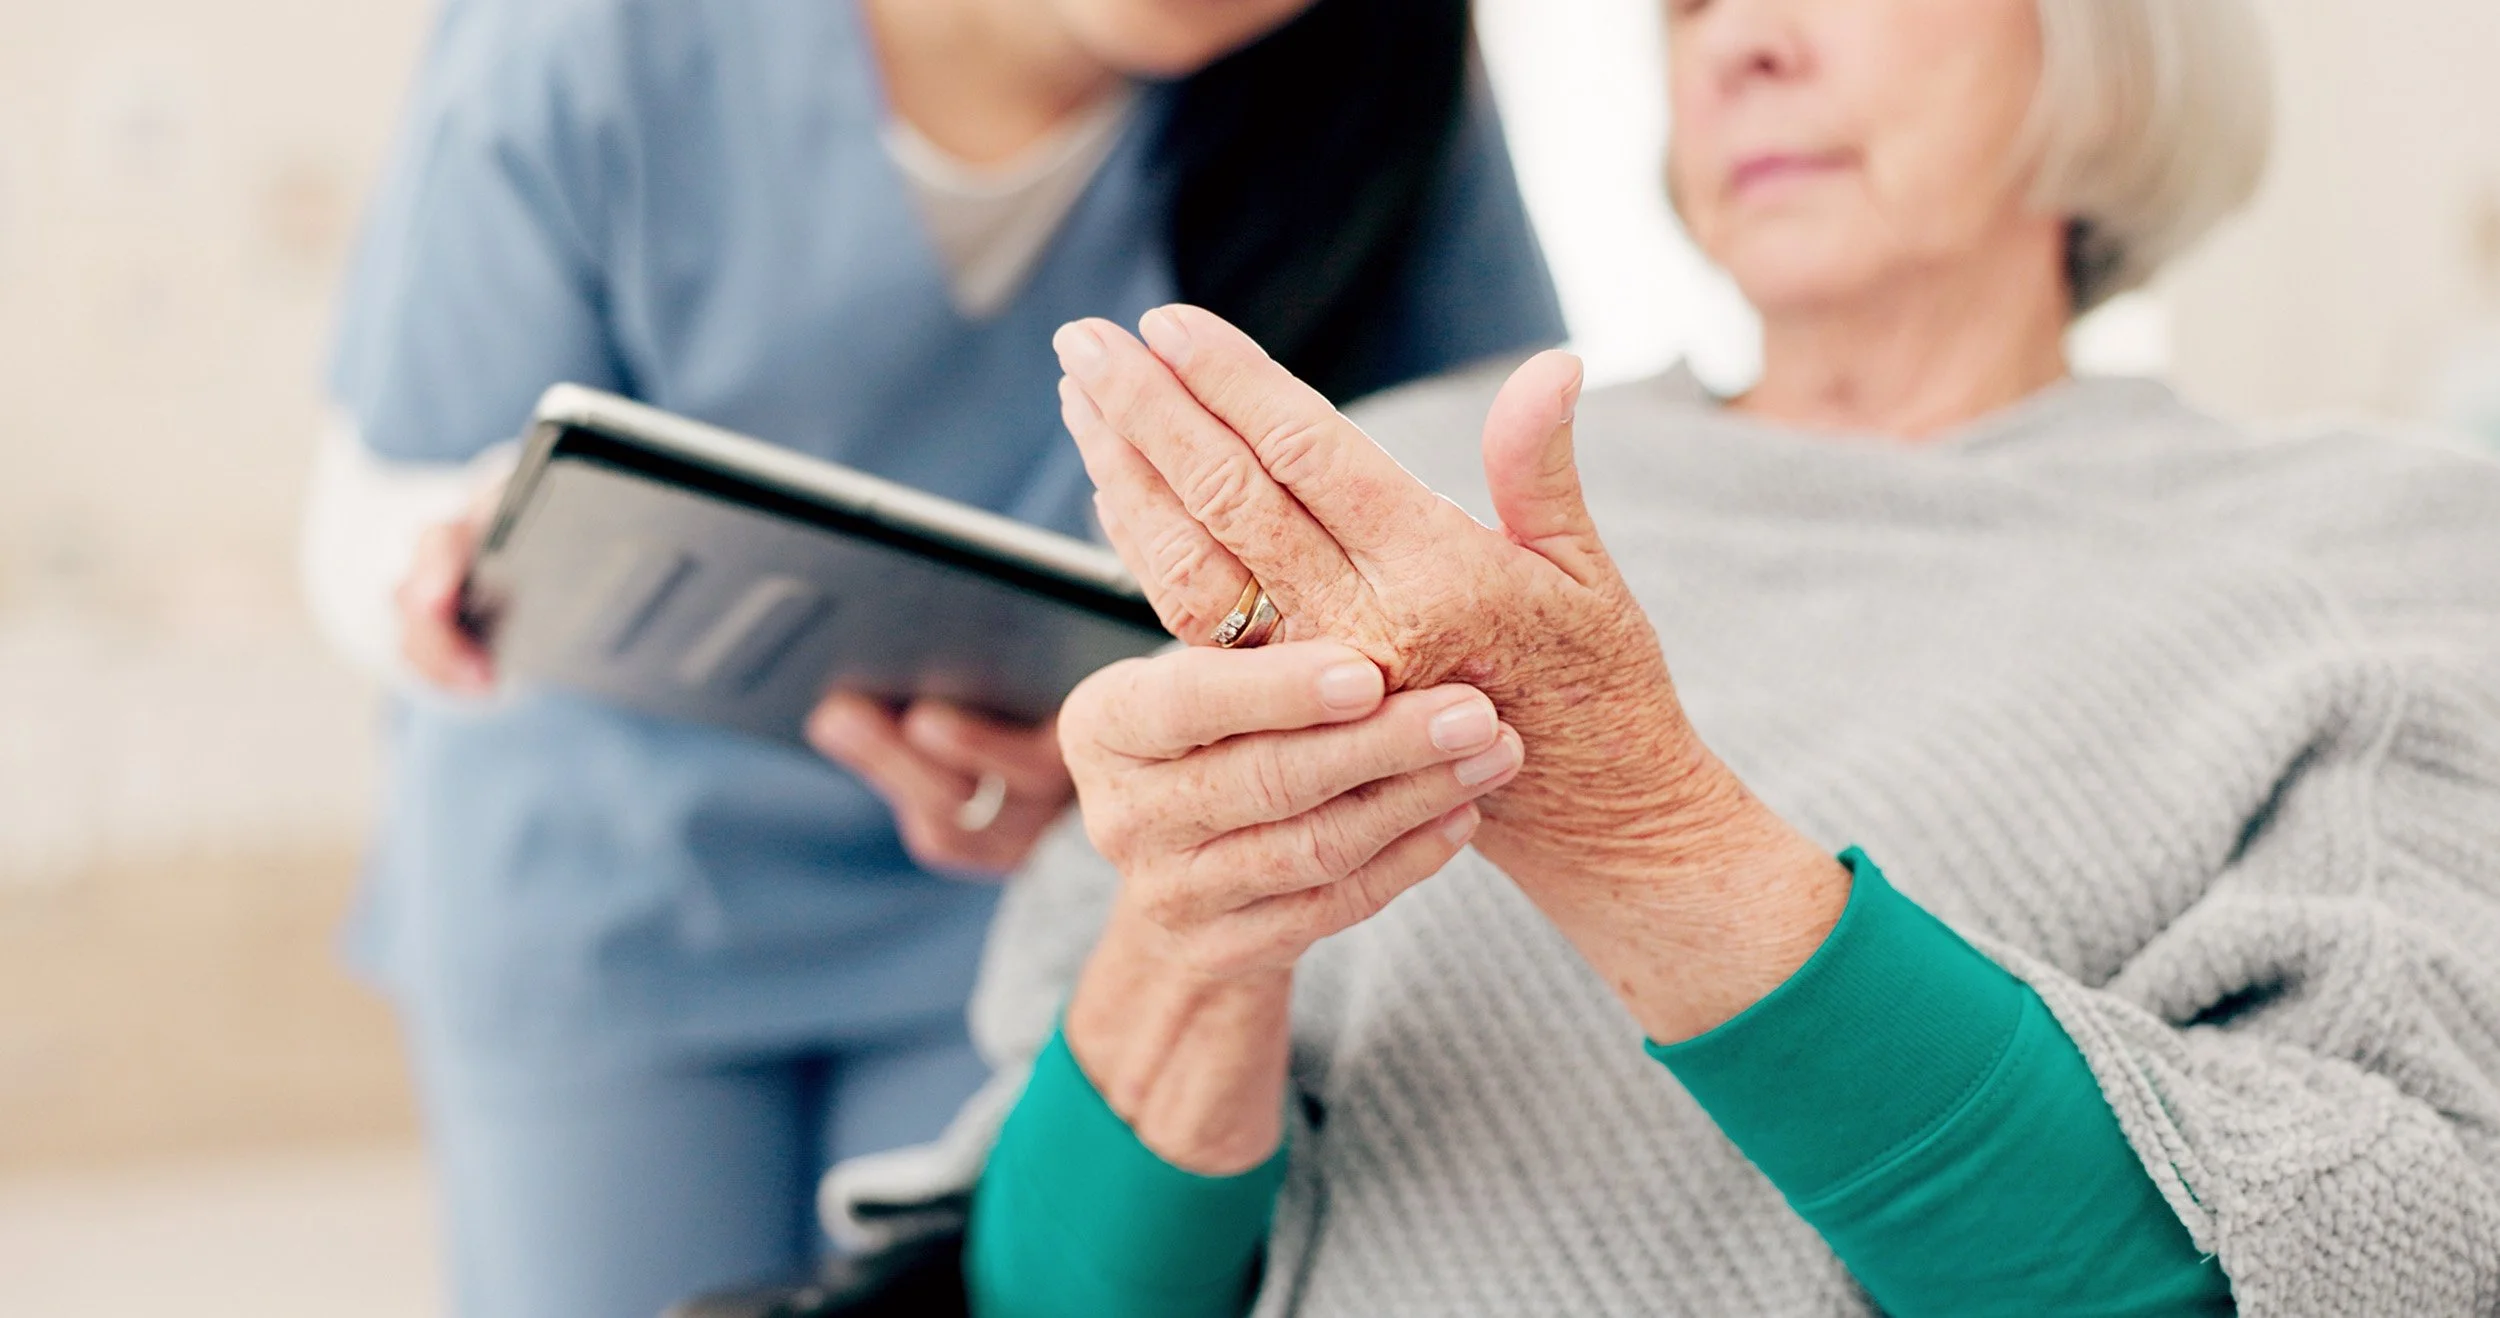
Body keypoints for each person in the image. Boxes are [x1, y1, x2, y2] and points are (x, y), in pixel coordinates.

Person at [819, 0, 2500, 1314]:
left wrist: (1628, 816)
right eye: (1694, 7)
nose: (1746, 43)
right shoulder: (1392, 480)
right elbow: (1038, 1293)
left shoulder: (2372, 552)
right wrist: (1193, 942)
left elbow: (2326, 1268)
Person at [298, 0, 1563, 1312]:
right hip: (601, 896)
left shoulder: (1388, 80)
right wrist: (438, 567)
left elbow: (1466, 514)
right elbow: (374, 498)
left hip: (1005, 909)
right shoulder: (593, 37)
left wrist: (1132, 741)